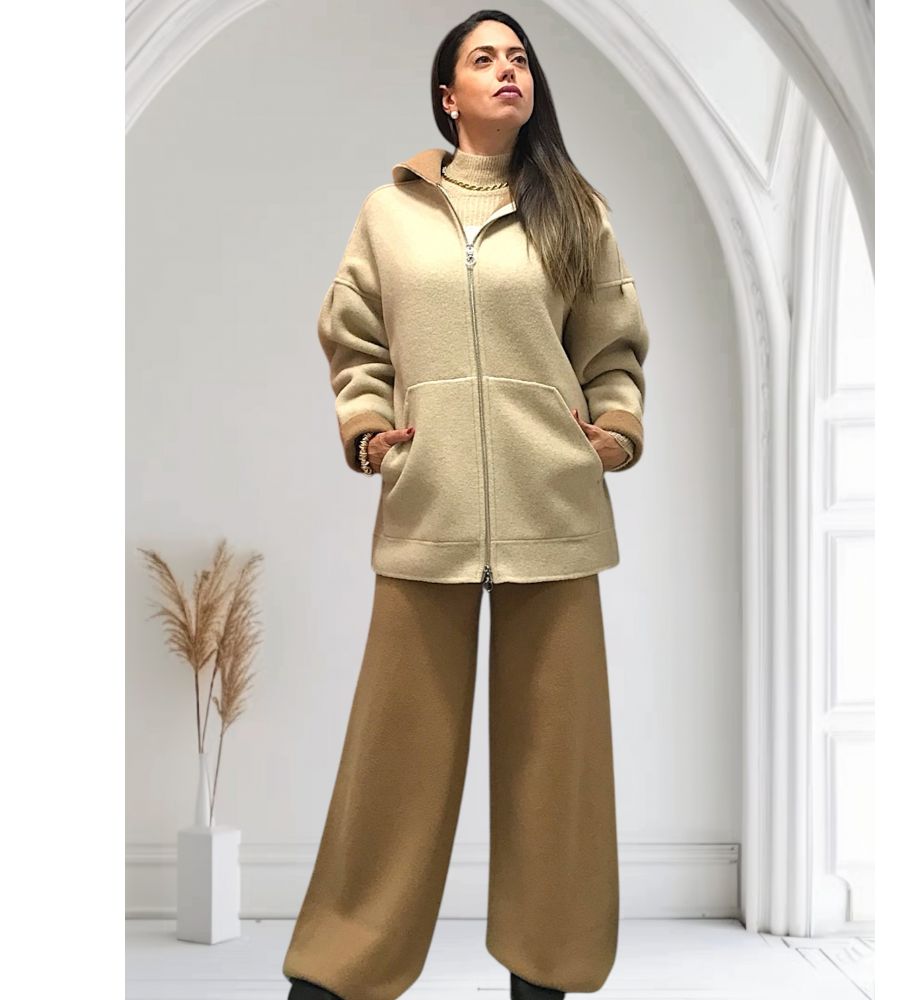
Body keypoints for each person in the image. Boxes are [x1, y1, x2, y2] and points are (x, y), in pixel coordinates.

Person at [283, 10, 649, 1000]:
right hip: (429, 503)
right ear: (448, 95)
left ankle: (547, 972)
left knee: (557, 767)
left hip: (553, 506)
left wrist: (615, 424)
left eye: (519, 57)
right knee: (394, 762)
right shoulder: (390, 212)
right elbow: (354, 334)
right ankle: (339, 969)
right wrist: (369, 428)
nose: (507, 70)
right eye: (484, 59)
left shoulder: (576, 209)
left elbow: (611, 340)